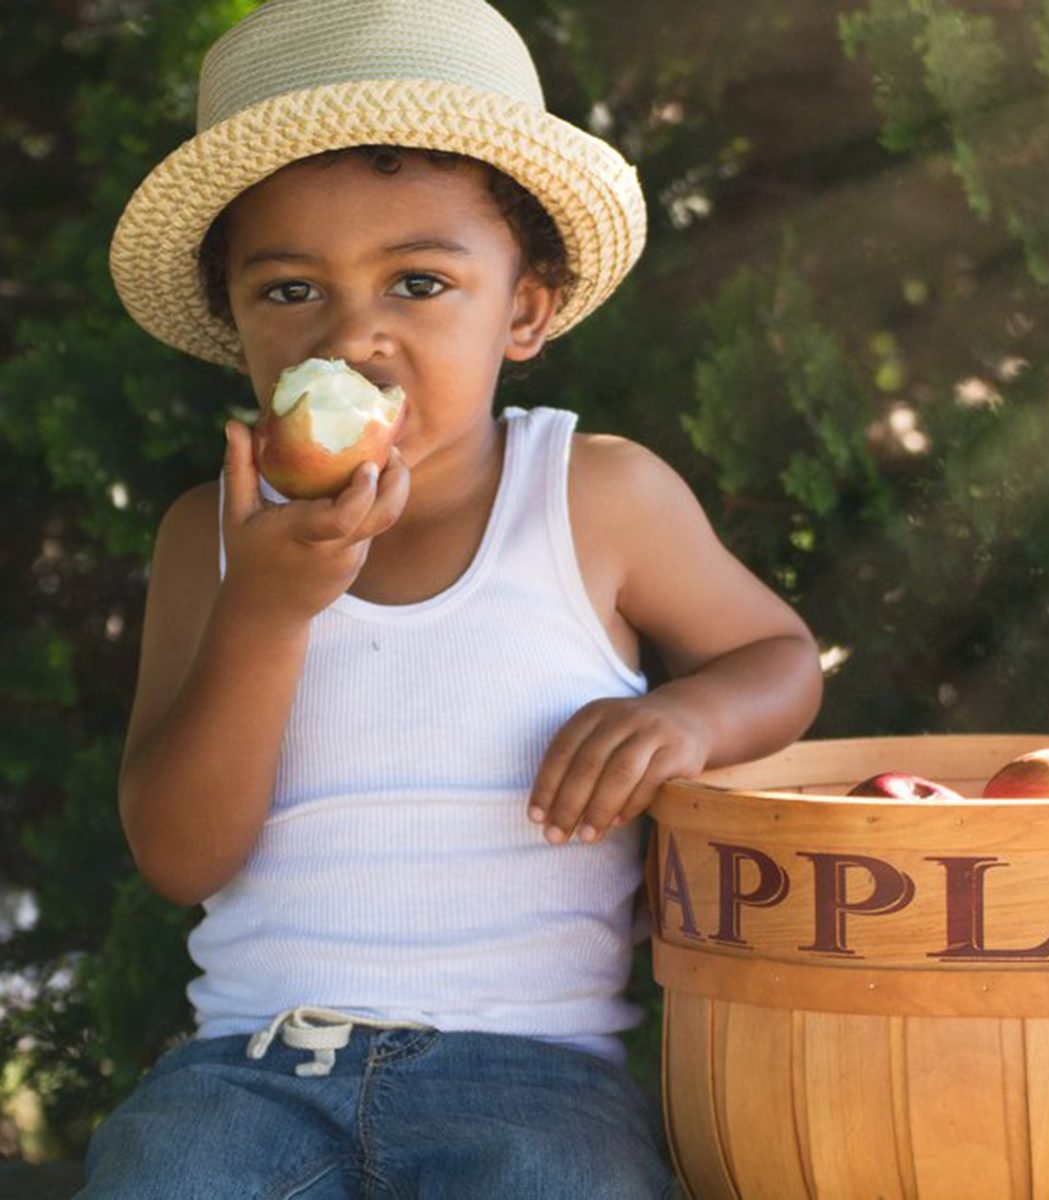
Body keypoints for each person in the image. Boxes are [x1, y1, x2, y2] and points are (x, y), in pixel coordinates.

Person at [81, 0, 823, 1195]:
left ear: (523, 309)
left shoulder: (596, 498)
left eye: (418, 281)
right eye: (288, 294)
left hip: (535, 1075)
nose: (355, 334)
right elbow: (180, 853)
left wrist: (689, 722)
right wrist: (266, 611)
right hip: (253, 1067)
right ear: (235, 332)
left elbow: (779, 658)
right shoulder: (209, 541)